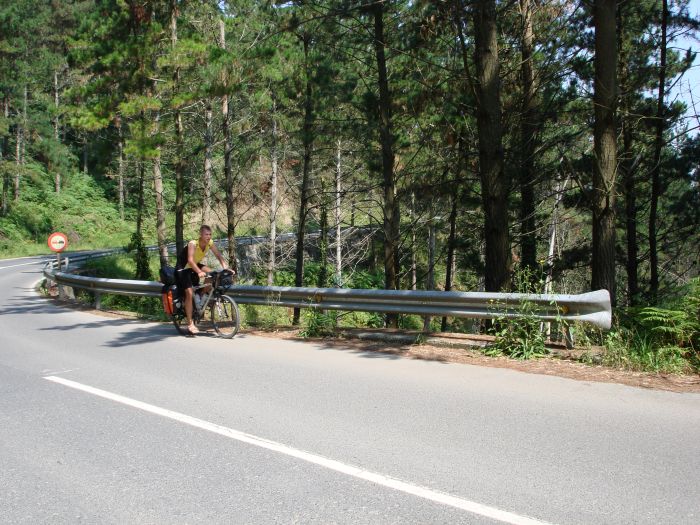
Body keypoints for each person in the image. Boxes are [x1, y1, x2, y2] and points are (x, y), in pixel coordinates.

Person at [175, 225, 230, 335]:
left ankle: (200, 296)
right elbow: (190, 260)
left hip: (195, 265)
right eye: (206, 234)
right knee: (189, 293)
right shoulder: (193, 244)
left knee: (214, 274)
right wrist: (199, 272)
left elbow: (218, 255)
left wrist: (226, 268)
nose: (208, 237)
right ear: (201, 235)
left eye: (210, 234)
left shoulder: (210, 243)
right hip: (183, 268)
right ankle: (190, 323)